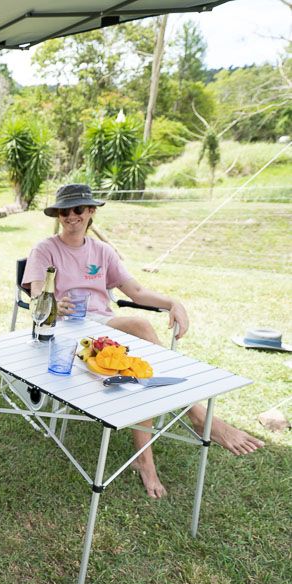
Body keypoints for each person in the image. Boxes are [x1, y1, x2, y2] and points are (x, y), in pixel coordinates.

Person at [23, 183, 264, 499]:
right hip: (65, 330)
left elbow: (135, 292)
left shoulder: (103, 252)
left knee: (139, 365)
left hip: (103, 325)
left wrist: (171, 302)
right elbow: (36, 294)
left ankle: (150, 453)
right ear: (58, 215)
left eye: (78, 209)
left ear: (91, 212)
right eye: (64, 211)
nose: (71, 217)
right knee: (139, 334)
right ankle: (194, 416)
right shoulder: (45, 249)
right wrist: (53, 300)